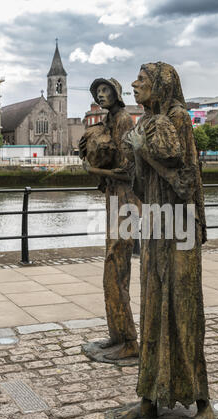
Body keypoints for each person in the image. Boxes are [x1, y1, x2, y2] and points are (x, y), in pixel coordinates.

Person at [115, 62, 215, 419]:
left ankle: (204, 405)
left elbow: (185, 179)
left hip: (181, 229)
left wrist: (147, 150)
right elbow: (141, 184)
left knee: (184, 312)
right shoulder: (148, 122)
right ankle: (149, 399)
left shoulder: (179, 119)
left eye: (141, 79)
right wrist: (133, 156)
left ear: (160, 84)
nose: (134, 84)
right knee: (153, 307)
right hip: (157, 226)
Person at [79, 78, 139, 360]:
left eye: (106, 91)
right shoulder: (109, 119)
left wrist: (94, 170)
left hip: (127, 199)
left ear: (117, 93)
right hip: (114, 197)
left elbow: (128, 170)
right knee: (111, 268)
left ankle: (129, 342)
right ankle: (117, 335)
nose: (101, 95)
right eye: (97, 92)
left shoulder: (125, 119)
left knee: (117, 267)